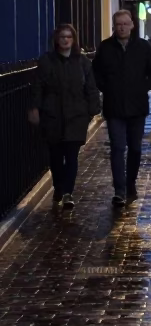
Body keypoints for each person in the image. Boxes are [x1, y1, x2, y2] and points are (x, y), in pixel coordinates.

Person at [28, 24, 101, 209]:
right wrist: (36, 108)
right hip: (53, 116)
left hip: (76, 116)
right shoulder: (47, 61)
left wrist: (92, 109)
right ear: (57, 40)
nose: (66, 40)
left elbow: (91, 87)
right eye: (62, 37)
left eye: (69, 37)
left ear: (74, 39)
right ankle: (58, 186)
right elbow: (38, 87)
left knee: (71, 156)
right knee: (55, 156)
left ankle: (68, 192)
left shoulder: (82, 62)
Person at [93, 10, 151, 207]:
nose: (121, 27)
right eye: (118, 24)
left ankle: (130, 183)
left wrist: (143, 87)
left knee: (135, 149)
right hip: (114, 107)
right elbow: (96, 73)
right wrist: (108, 89)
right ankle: (119, 190)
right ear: (114, 26)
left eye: (125, 23)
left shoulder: (143, 47)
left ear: (131, 25)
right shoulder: (105, 48)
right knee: (117, 148)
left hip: (137, 107)